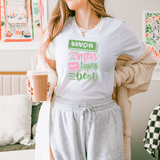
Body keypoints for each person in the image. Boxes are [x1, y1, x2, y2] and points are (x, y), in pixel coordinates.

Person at [27, 0, 144, 159]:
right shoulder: (58, 28)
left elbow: (146, 61)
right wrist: (45, 84)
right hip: (63, 116)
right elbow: (51, 71)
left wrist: (117, 77)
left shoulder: (116, 29)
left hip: (104, 117)